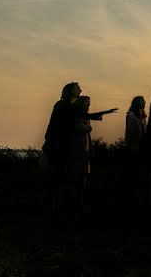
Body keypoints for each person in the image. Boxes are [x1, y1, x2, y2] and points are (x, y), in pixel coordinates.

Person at [42, 82, 117, 210]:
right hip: (58, 142)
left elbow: (85, 115)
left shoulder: (72, 105)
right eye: (77, 88)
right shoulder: (61, 104)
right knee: (58, 173)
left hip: (66, 142)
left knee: (62, 173)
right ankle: (51, 203)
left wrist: (105, 112)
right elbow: (52, 123)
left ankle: (58, 203)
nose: (80, 90)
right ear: (70, 90)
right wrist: (48, 139)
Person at [125, 96, 147, 206]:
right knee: (133, 171)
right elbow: (129, 132)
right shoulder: (131, 115)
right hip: (134, 146)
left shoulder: (143, 117)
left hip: (143, 146)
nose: (145, 103)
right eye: (142, 101)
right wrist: (128, 145)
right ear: (137, 103)